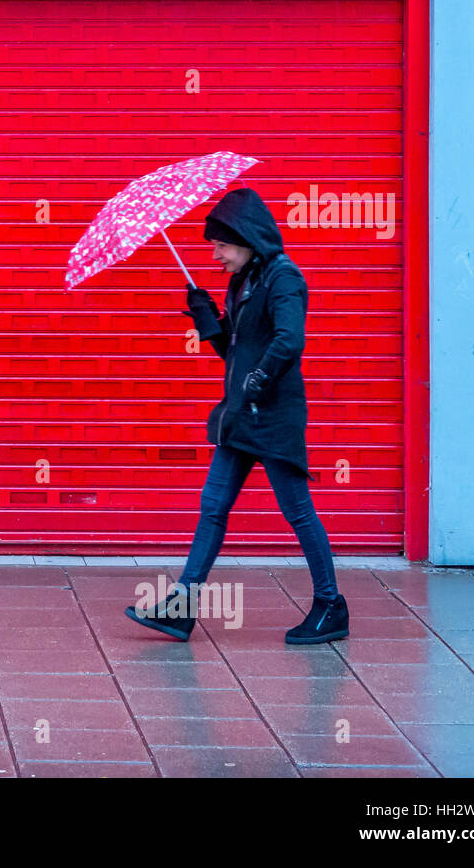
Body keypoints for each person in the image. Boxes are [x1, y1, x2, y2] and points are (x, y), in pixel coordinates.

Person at [124, 188, 349, 645]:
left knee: (298, 512)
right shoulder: (243, 282)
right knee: (213, 508)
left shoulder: (283, 279)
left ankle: (331, 606)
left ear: (247, 240)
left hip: (274, 418)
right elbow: (236, 353)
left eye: (222, 245)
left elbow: (289, 341)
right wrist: (208, 319)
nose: (216, 254)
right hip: (238, 418)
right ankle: (182, 608)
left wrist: (259, 380)